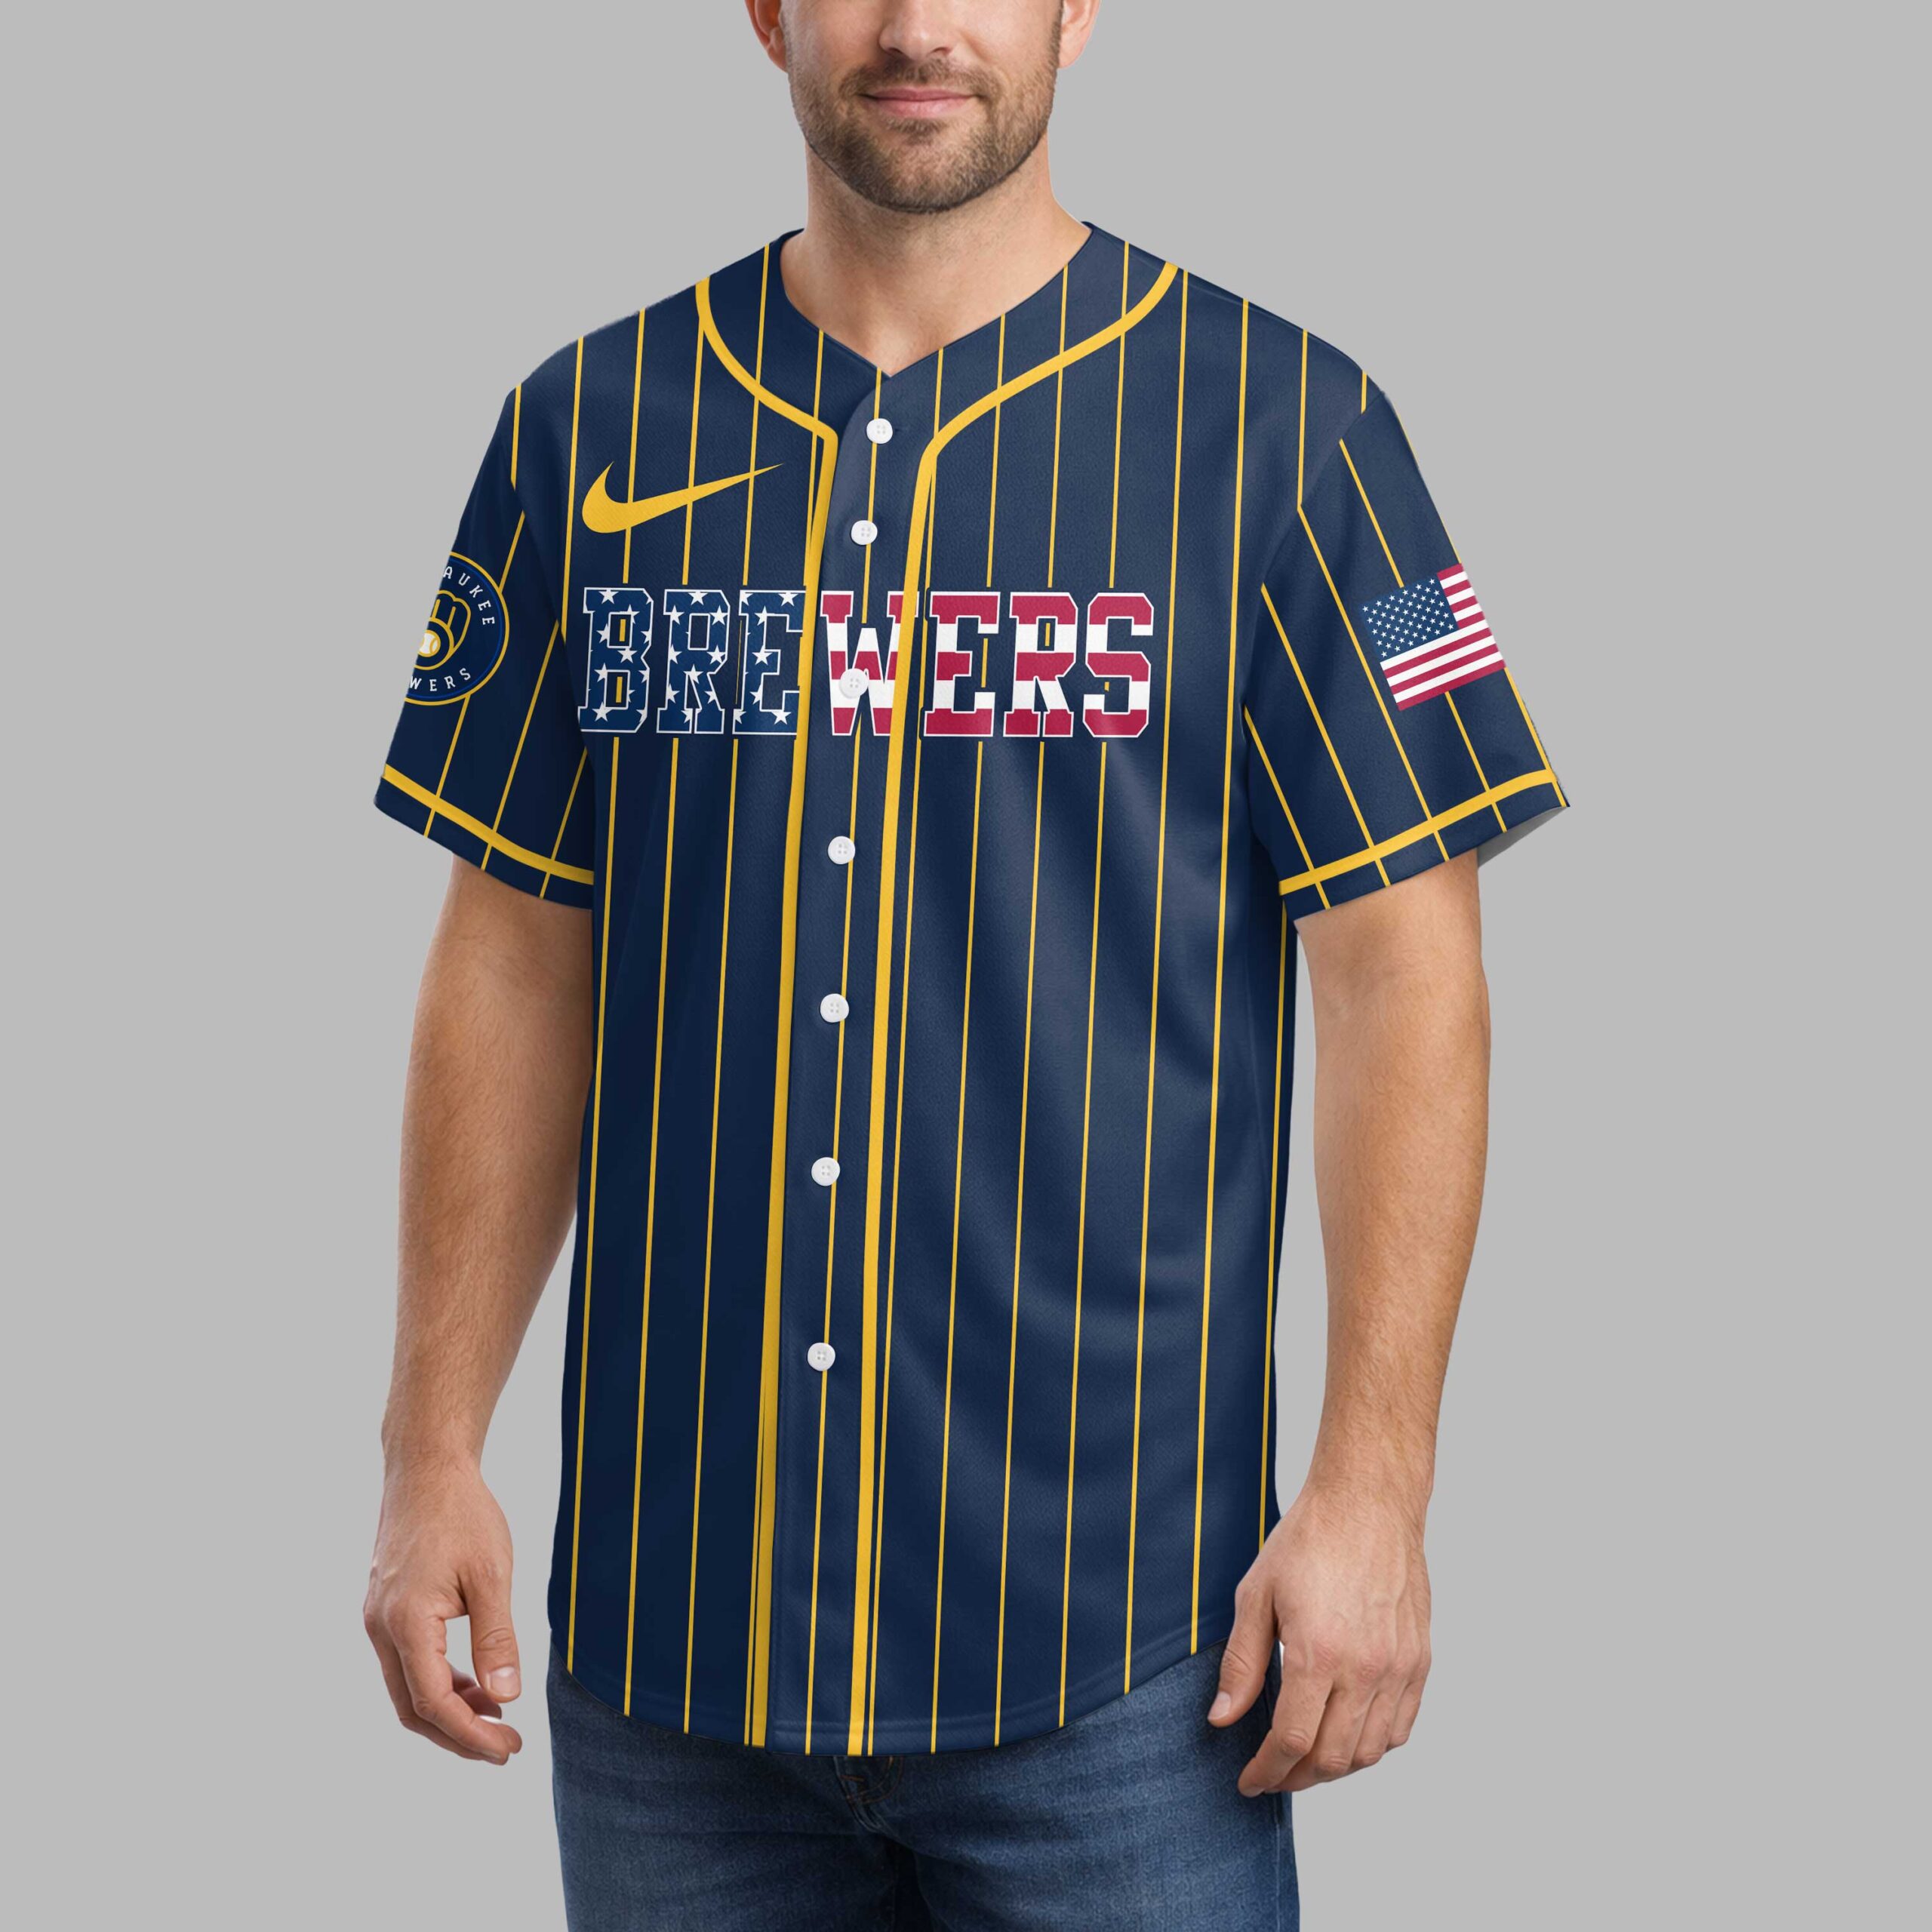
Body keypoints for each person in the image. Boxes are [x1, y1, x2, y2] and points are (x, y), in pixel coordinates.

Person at [362, 2, 1566, 1924]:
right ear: (765, 12)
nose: (918, 26)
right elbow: (513, 961)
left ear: (1077, 9)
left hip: (1126, 1659)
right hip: (673, 1656)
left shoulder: (1290, 430)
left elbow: (1401, 977)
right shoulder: (582, 427)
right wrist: (430, 1449)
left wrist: (1373, 1490)